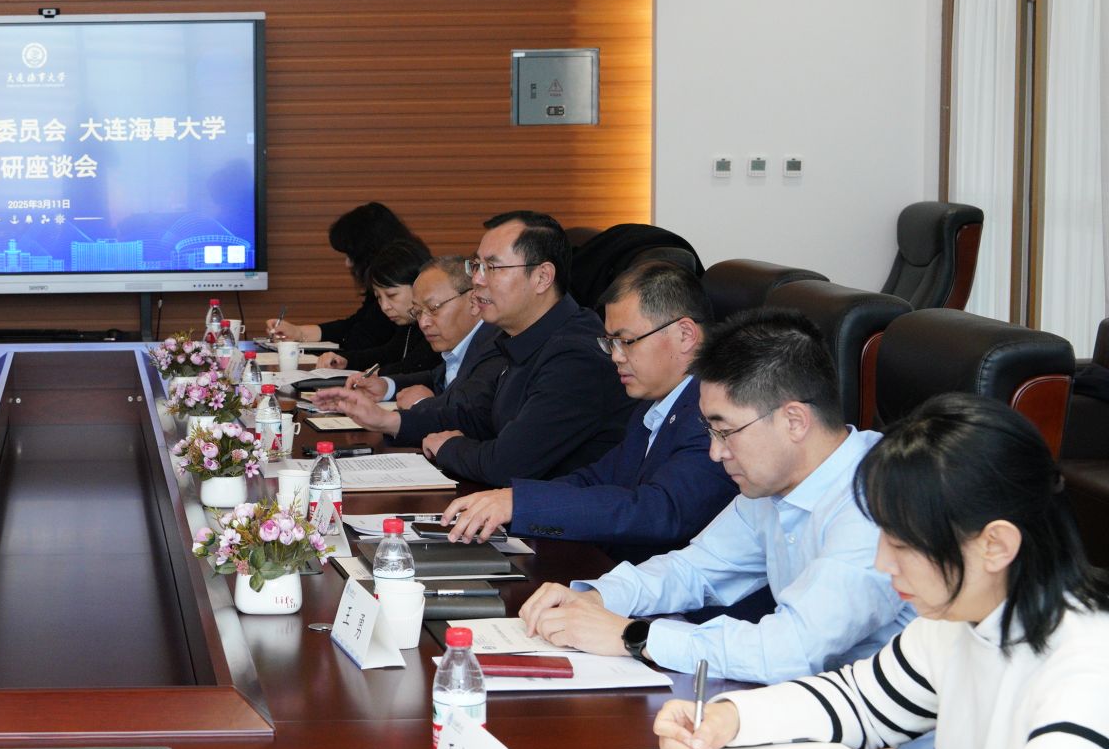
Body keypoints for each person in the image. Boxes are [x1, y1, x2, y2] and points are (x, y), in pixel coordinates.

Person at [653, 394, 1109, 749]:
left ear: (995, 545)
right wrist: (730, 718)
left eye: (902, 543)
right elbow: (857, 700)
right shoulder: (961, 622)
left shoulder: (1089, 665)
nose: (882, 562)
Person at [518, 308, 915, 683]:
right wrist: (597, 597)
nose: (715, 452)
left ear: (794, 420)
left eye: (725, 432)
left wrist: (633, 636)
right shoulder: (772, 485)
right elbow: (693, 570)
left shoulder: (877, 501)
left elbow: (792, 649)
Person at [441, 260, 735, 563]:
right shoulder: (654, 405)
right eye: (611, 343)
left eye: (626, 341)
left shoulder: (716, 414)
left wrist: (522, 504)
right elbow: (597, 478)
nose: (616, 357)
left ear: (685, 334)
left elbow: (658, 511)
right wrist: (509, 500)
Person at [310, 210, 631, 486]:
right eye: (476, 266)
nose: (477, 280)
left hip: (563, 530)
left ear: (542, 277)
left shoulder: (576, 355)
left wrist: (449, 447)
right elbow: (477, 415)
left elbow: (508, 462)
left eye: (492, 268)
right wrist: (387, 421)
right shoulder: (518, 336)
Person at [328, 255, 503, 410]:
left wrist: (423, 404)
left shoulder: (496, 347)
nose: (423, 323)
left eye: (433, 308)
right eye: (417, 312)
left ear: (473, 302)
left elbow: (474, 413)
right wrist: (386, 386)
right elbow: (436, 378)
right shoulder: (462, 344)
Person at [266, 202, 422, 367]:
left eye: (352, 255)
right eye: (379, 297)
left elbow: (363, 338)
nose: (348, 263)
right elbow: (359, 325)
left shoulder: (413, 313)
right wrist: (299, 332)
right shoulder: (395, 299)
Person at [321, 238, 442, 386]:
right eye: (378, 297)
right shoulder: (409, 323)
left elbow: (417, 366)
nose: (384, 306)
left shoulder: (436, 324)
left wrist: (380, 374)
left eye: (391, 295)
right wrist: (346, 361)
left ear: (418, 284)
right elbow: (389, 353)